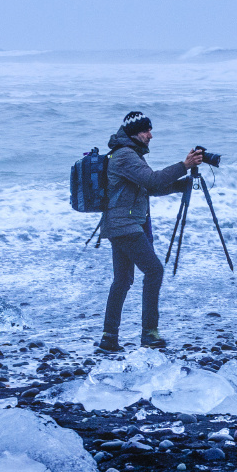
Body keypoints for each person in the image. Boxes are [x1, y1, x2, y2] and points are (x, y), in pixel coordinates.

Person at [97, 111, 203, 351]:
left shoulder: (130, 154)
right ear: (135, 132)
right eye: (146, 131)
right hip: (125, 225)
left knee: (122, 280)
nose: (150, 135)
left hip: (121, 224)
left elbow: (148, 188)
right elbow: (153, 181)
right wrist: (184, 166)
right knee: (154, 271)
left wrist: (180, 185)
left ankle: (109, 337)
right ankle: (149, 333)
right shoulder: (125, 155)